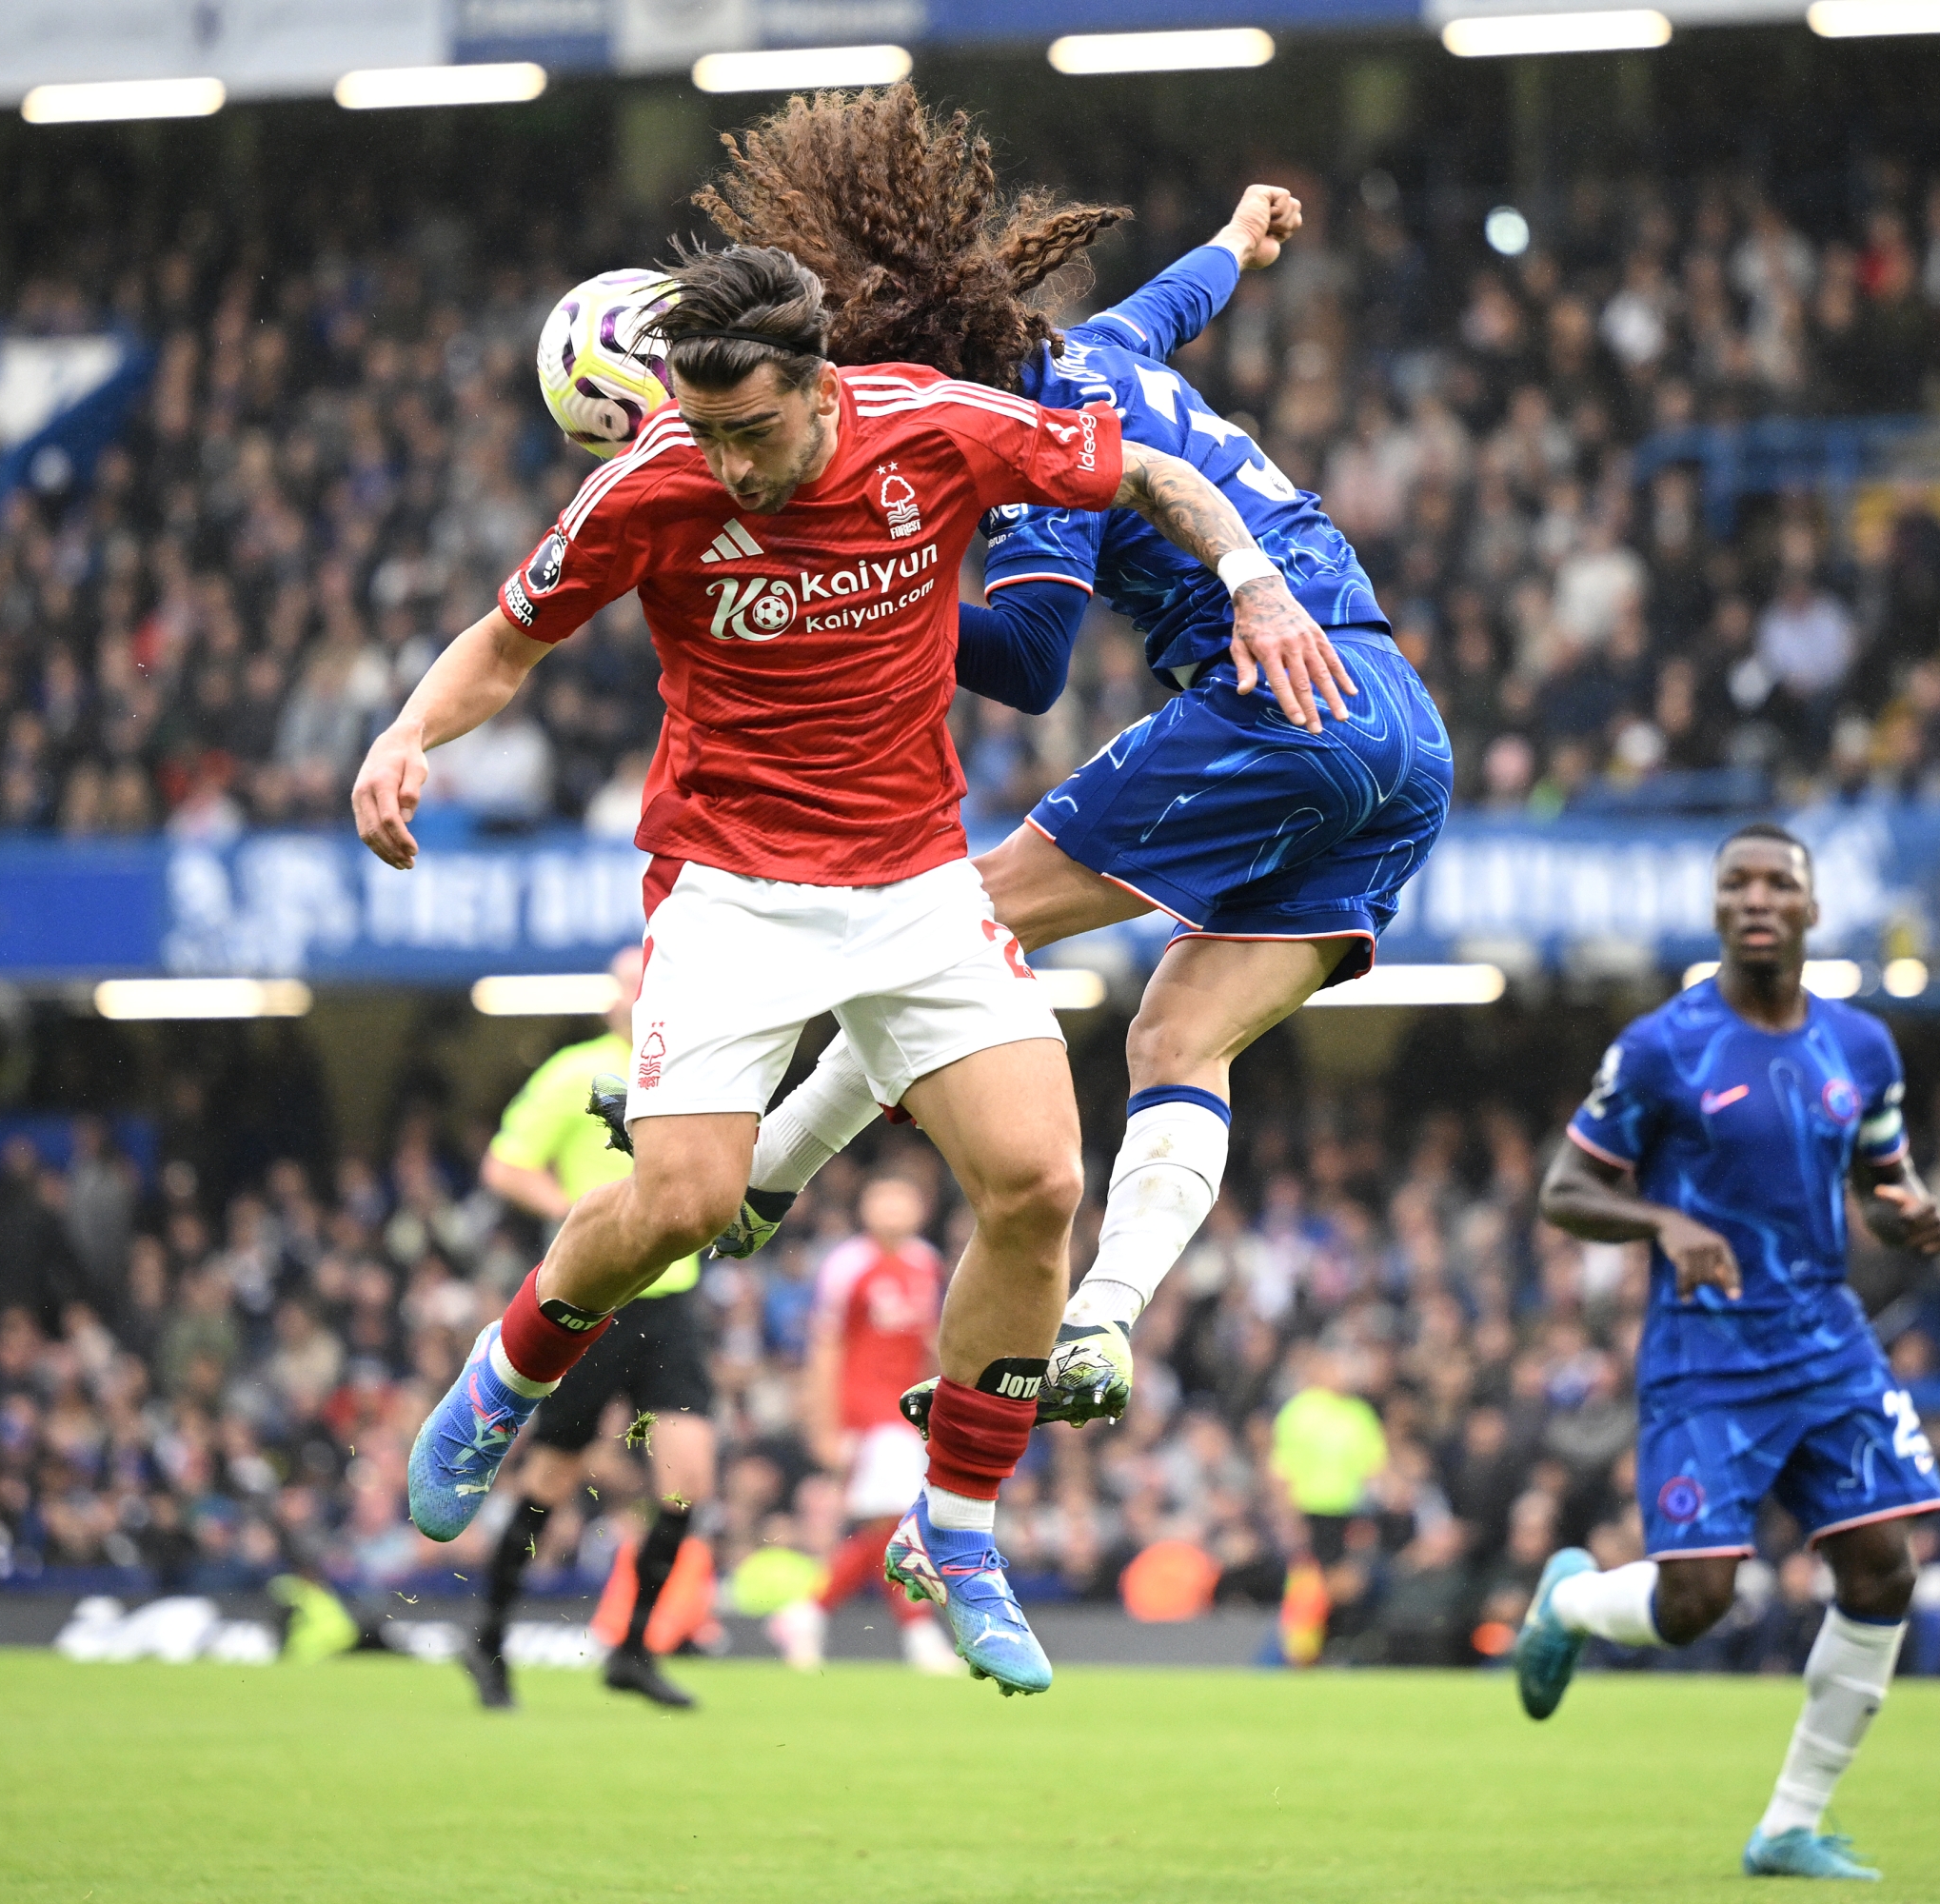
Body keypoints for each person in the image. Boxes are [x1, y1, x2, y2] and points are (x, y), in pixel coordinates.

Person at [356, 240, 1333, 1696]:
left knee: (1040, 1185)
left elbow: (1144, 474)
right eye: (705, 428)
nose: (730, 464)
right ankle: (507, 1371)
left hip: (917, 887)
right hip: (732, 892)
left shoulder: (933, 425)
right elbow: (509, 644)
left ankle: (960, 1530)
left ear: (820, 388)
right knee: (682, 1203)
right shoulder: (652, 482)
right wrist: (406, 736)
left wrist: (1252, 579)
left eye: (753, 429)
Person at [687, 90, 1455, 1436]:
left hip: (1276, 699)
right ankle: (1101, 1323)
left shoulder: (1035, 440)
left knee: (951, 922)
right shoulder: (1096, 347)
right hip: (1401, 725)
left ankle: (770, 1170)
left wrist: (875, 595)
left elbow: (1035, 658)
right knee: (1174, 1034)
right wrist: (1236, 239)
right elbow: (1171, 305)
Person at [1521, 823, 1940, 1882]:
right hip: (1707, 1356)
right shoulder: (1663, 1046)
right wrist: (1662, 1224)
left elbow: (1882, 1179)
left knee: (1882, 1565)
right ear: (1717, 908)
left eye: (1779, 883)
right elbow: (1564, 1189)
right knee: (1697, 1601)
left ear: (1810, 909)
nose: (1757, 898)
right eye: (1737, 883)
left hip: (1827, 1339)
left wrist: (1909, 1215)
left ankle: (1789, 1823)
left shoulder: (1862, 1048)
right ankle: (1571, 1598)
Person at [461, 943, 715, 1712]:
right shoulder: (578, 1072)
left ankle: (632, 1649)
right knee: (552, 1480)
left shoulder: (694, 1071)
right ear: (612, 1000)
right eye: (627, 987)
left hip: (671, 1300)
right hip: (595, 1299)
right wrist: (579, 1219)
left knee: (689, 1478)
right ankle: (489, 1640)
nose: (635, 999)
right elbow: (506, 1165)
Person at [766, 1172, 963, 1676]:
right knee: (898, 1521)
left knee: (888, 1526)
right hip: (864, 1409)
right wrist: (823, 1423)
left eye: (904, 1195)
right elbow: (826, 1345)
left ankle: (807, 1612)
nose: (894, 1206)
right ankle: (915, 1633)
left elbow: (928, 1344)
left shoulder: (926, 1263)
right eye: (884, 1196)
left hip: (903, 1410)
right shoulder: (847, 1264)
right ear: (865, 1208)